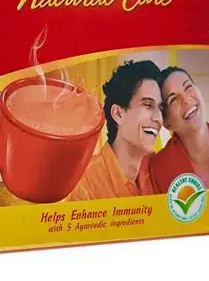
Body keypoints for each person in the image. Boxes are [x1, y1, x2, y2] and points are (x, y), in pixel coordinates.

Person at [69, 60, 163, 201]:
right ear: (118, 114)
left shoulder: (158, 169)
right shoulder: (85, 182)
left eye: (161, 108)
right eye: (148, 105)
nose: (158, 118)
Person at [150, 67, 209, 193]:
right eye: (173, 99)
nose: (186, 100)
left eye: (188, 87)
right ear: (166, 122)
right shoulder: (160, 169)